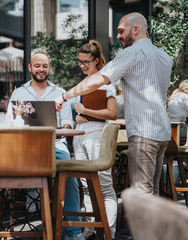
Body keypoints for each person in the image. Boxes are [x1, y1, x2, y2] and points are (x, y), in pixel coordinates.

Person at [56, 12, 173, 196]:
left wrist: (64, 96)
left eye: (120, 31)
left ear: (135, 30)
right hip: (162, 132)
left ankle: (143, 226)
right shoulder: (164, 56)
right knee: (153, 192)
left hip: (144, 132)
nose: (117, 36)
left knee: (142, 194)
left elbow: (96, 81)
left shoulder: (131, 53)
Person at [7, 52, 82, 240]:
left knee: (70, 177)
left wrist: (61, 128)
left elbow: (68, 123)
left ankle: (74, 232)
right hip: (26, 148)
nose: (41, 69)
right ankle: (34, 187)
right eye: (37, 65)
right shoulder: (19, 93)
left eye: (45, 66)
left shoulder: (60, 93)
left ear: (49, 68)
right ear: (30, 68)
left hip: (55, 144)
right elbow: (10, 123)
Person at [73, 40, 118, 239]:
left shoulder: (105, 82)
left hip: (98, 136)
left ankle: (109, 232)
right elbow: (83, 112)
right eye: (80, 62)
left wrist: (86, 110)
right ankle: (90, 230)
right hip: (81, 134)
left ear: (97, 61)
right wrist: (78, 117)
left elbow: (112, 113)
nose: (82, 66)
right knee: (86, 184)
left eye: (86, 62)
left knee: (104, 184)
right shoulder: (82, 83)